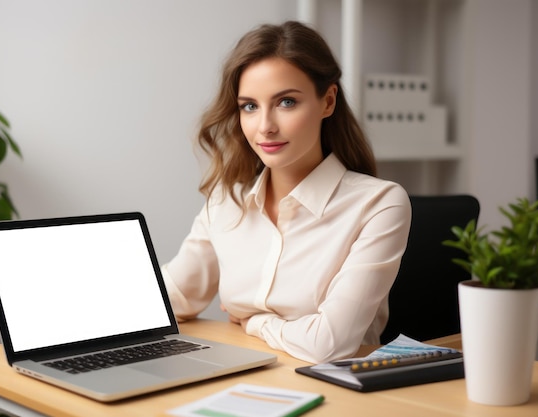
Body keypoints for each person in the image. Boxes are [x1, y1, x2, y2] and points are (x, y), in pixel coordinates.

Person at [161, 21, 411, 364]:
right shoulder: (226, 201)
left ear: (328, 101)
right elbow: (170, 299)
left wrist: (258, 323)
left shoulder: (379, 204)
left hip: (337, 392)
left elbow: (328, 344)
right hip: (244, 377)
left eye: (286, 102)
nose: (265, 126)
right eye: (249, 106)